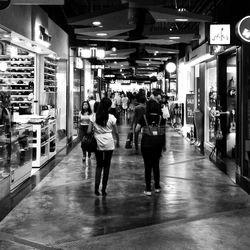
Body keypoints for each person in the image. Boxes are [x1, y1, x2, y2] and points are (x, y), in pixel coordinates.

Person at [88, 97, 119, 196]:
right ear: (109, 107)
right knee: (107, 166)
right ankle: (104, 189)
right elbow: (116, 132)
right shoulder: (112, 117)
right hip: (109, 143)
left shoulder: (94, 116)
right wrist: (117, 141)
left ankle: (96, 189)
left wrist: (95, 130)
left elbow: (88, 131)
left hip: (97, 142)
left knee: (99, 165)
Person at [135, 99, 166, 196]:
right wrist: (164, 145)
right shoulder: (161, 118)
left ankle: (148, 188)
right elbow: (163, 133)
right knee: (156, 165)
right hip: (158, 143)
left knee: (147, 166)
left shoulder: (143, 117)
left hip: (146, 143)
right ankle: (157, 187)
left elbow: (136, 129)